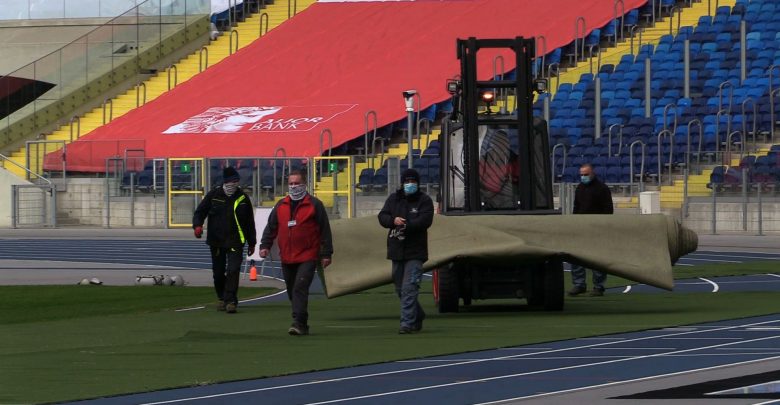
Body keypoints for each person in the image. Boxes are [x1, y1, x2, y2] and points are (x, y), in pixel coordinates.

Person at [259, 170, 333, 336]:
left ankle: (298, 322)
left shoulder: (314, 205)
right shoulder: (281, 205)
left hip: (307, 255)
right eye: (291, 183)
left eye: (297, 183)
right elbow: (271, 227)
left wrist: (326, 253)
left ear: (304, 184)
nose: (293, 187)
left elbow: (324, 230)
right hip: (287, 256)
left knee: (300, 287)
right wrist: (265, 245)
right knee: (292, 289)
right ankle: (302, 320)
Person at [193, 166, 257, 313]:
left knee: (233, 270)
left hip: (236, 240)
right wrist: (197, 225)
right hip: (216, 241)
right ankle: (221, 297)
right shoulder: (214, 195)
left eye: (236, 181)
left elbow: (249, 222)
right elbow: (200, 212)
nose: (234, 184)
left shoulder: (242, 198)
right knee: (218, 272)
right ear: (225, 181)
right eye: (232, 181)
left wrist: (252, 242)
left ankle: (231, 301)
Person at [378, 168, 434, 334]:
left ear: (418, 183)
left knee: (410, 287)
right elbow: (382, 216)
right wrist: (392, 220)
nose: (410, 184)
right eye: (407, 181)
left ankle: (407, 323)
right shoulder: (393, 199)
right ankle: (417, 315)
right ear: (402, 183)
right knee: (400, 289)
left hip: (416, 252)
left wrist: (407, 224)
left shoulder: (424, 200)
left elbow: (425, 221)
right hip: (396, 250)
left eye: (413, 182)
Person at [568, 163, 614, 297]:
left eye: (586, 174)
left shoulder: (602, 189)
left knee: (597, 258)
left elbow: (608, 209)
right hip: (581, 227)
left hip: (597, 228)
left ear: (592, 173)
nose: (583, 177)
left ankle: (599, 287)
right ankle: (579, 284)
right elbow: (576, 207)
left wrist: (602, 225)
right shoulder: (579, 188)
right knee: (576, 257)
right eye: (581, 175)